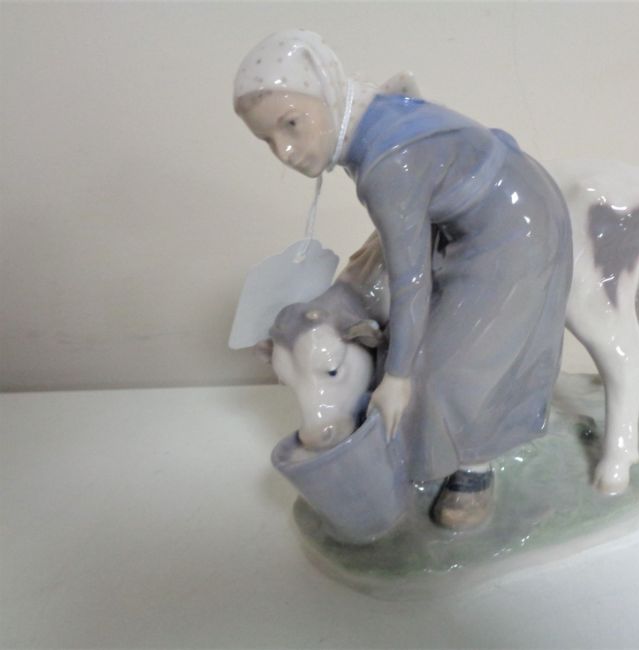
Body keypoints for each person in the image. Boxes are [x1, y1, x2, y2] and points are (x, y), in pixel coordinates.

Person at [234, 30, 572, 530]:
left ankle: (474, 468)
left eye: (292, 124)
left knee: (442, 371)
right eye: (267, 139)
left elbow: (409, 279)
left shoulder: (386, 165)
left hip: (516, 229)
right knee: (412, 343)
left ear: (327, 94)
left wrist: (397, 378)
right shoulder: (368, 121)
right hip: (471, 220)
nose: (284, 150)